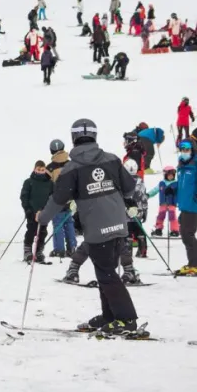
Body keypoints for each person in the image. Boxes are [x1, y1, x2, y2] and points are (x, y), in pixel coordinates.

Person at [36, 118, 144, 336]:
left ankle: (126, 319)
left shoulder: (72, 168)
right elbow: (129, 188)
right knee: (106, 271)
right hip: (118, 224)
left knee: (106, 273)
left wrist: (43, 217)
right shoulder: (112, 159)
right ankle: (110, 315)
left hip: (96, 228)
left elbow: (58, 199)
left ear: (74, 138)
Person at [174, 140, 197, 275]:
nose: (184, 151)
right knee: (186, 234)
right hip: (184, 204)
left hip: (193, 203)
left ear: (192, 150)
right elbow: (182, 183)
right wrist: (172, 189)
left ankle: (196, 264)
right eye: (182, 149)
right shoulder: (181, 164)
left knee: (187, 234)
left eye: (187, 149)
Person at [46, 139, 78, 258]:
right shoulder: (71, 164)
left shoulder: (50, 168)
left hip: (57, 200)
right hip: (71, 199)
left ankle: (59, 249)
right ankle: (72, 247)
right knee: (69, 222)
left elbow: (47, 186)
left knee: (58, 223)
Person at [20, 161, 52, 263]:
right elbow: (24, 196)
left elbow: (53, 197)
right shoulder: (29, 182)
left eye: (42, 170)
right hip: (32, 211)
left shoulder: (50, 183)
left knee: (43, 232)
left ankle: (39, 251)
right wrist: (27, 209)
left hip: (44, 212)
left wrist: (50, 209)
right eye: (38, 169)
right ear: (34, 169)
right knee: (31, 230)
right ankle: (27, 251)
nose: (40, 172)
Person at [149, 166, 179, 238]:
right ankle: (158, 229)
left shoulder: (176, 183)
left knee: (172, 216)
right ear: (165, 175)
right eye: (169, 175)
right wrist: (148, 195)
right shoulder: (161, 183)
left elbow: (180, 192)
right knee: (160, 216)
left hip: (172, 203)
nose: (171, 177)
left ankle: (175, 230)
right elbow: (155, 190)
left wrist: (173, 191)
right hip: (163, 203)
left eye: (172, 175)